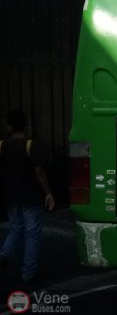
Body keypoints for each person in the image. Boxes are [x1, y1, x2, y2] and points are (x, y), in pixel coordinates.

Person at [0, 109, 55, 283]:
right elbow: (39, 172)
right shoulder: (30, 145)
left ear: (9, 126)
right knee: (32, 233)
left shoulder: (2, 145)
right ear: (25, 125)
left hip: (10, 196)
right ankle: (28, 273)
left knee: (16, 228)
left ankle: (4, 254)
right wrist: (48, 193)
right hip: (30, 197)